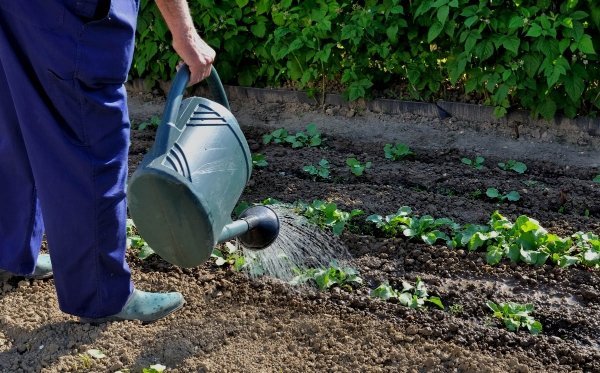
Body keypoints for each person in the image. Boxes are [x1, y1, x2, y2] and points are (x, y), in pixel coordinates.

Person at [0, 0, 215, 323]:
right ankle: (101, 293)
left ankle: (8, 249)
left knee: (16, 110)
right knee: (90, 136)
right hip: (71, 15)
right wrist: (184, 32)